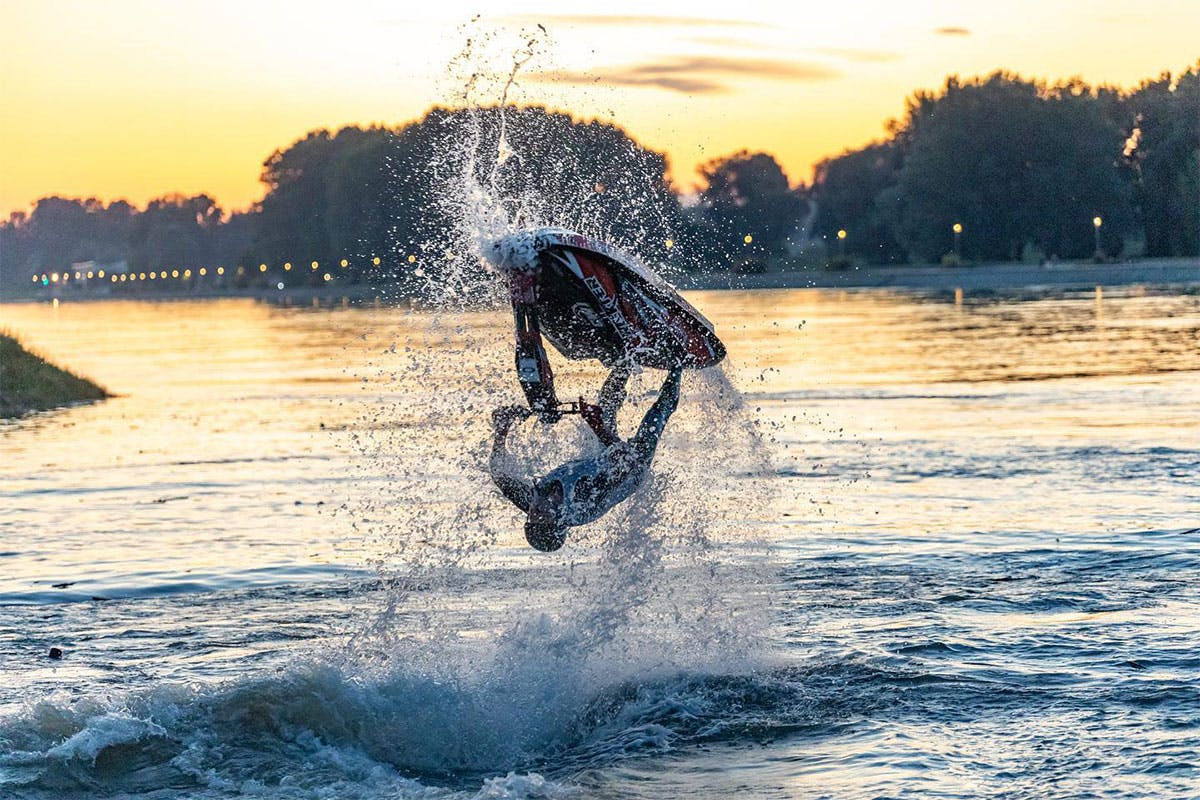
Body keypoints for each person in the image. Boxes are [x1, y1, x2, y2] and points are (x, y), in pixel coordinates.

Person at [489, 362, 684, 552]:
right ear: (559, 519)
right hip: (631, 470)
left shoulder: (531, 502)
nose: (535, 510)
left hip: (600, 462)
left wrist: (501, 430)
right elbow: (626, 459)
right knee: (657, 415)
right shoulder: (583, 499)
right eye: (541, 515)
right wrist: (597, 426)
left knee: (606, 402)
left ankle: (627, 357)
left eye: (531, 515)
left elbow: (498, 474)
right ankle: (679, 362)